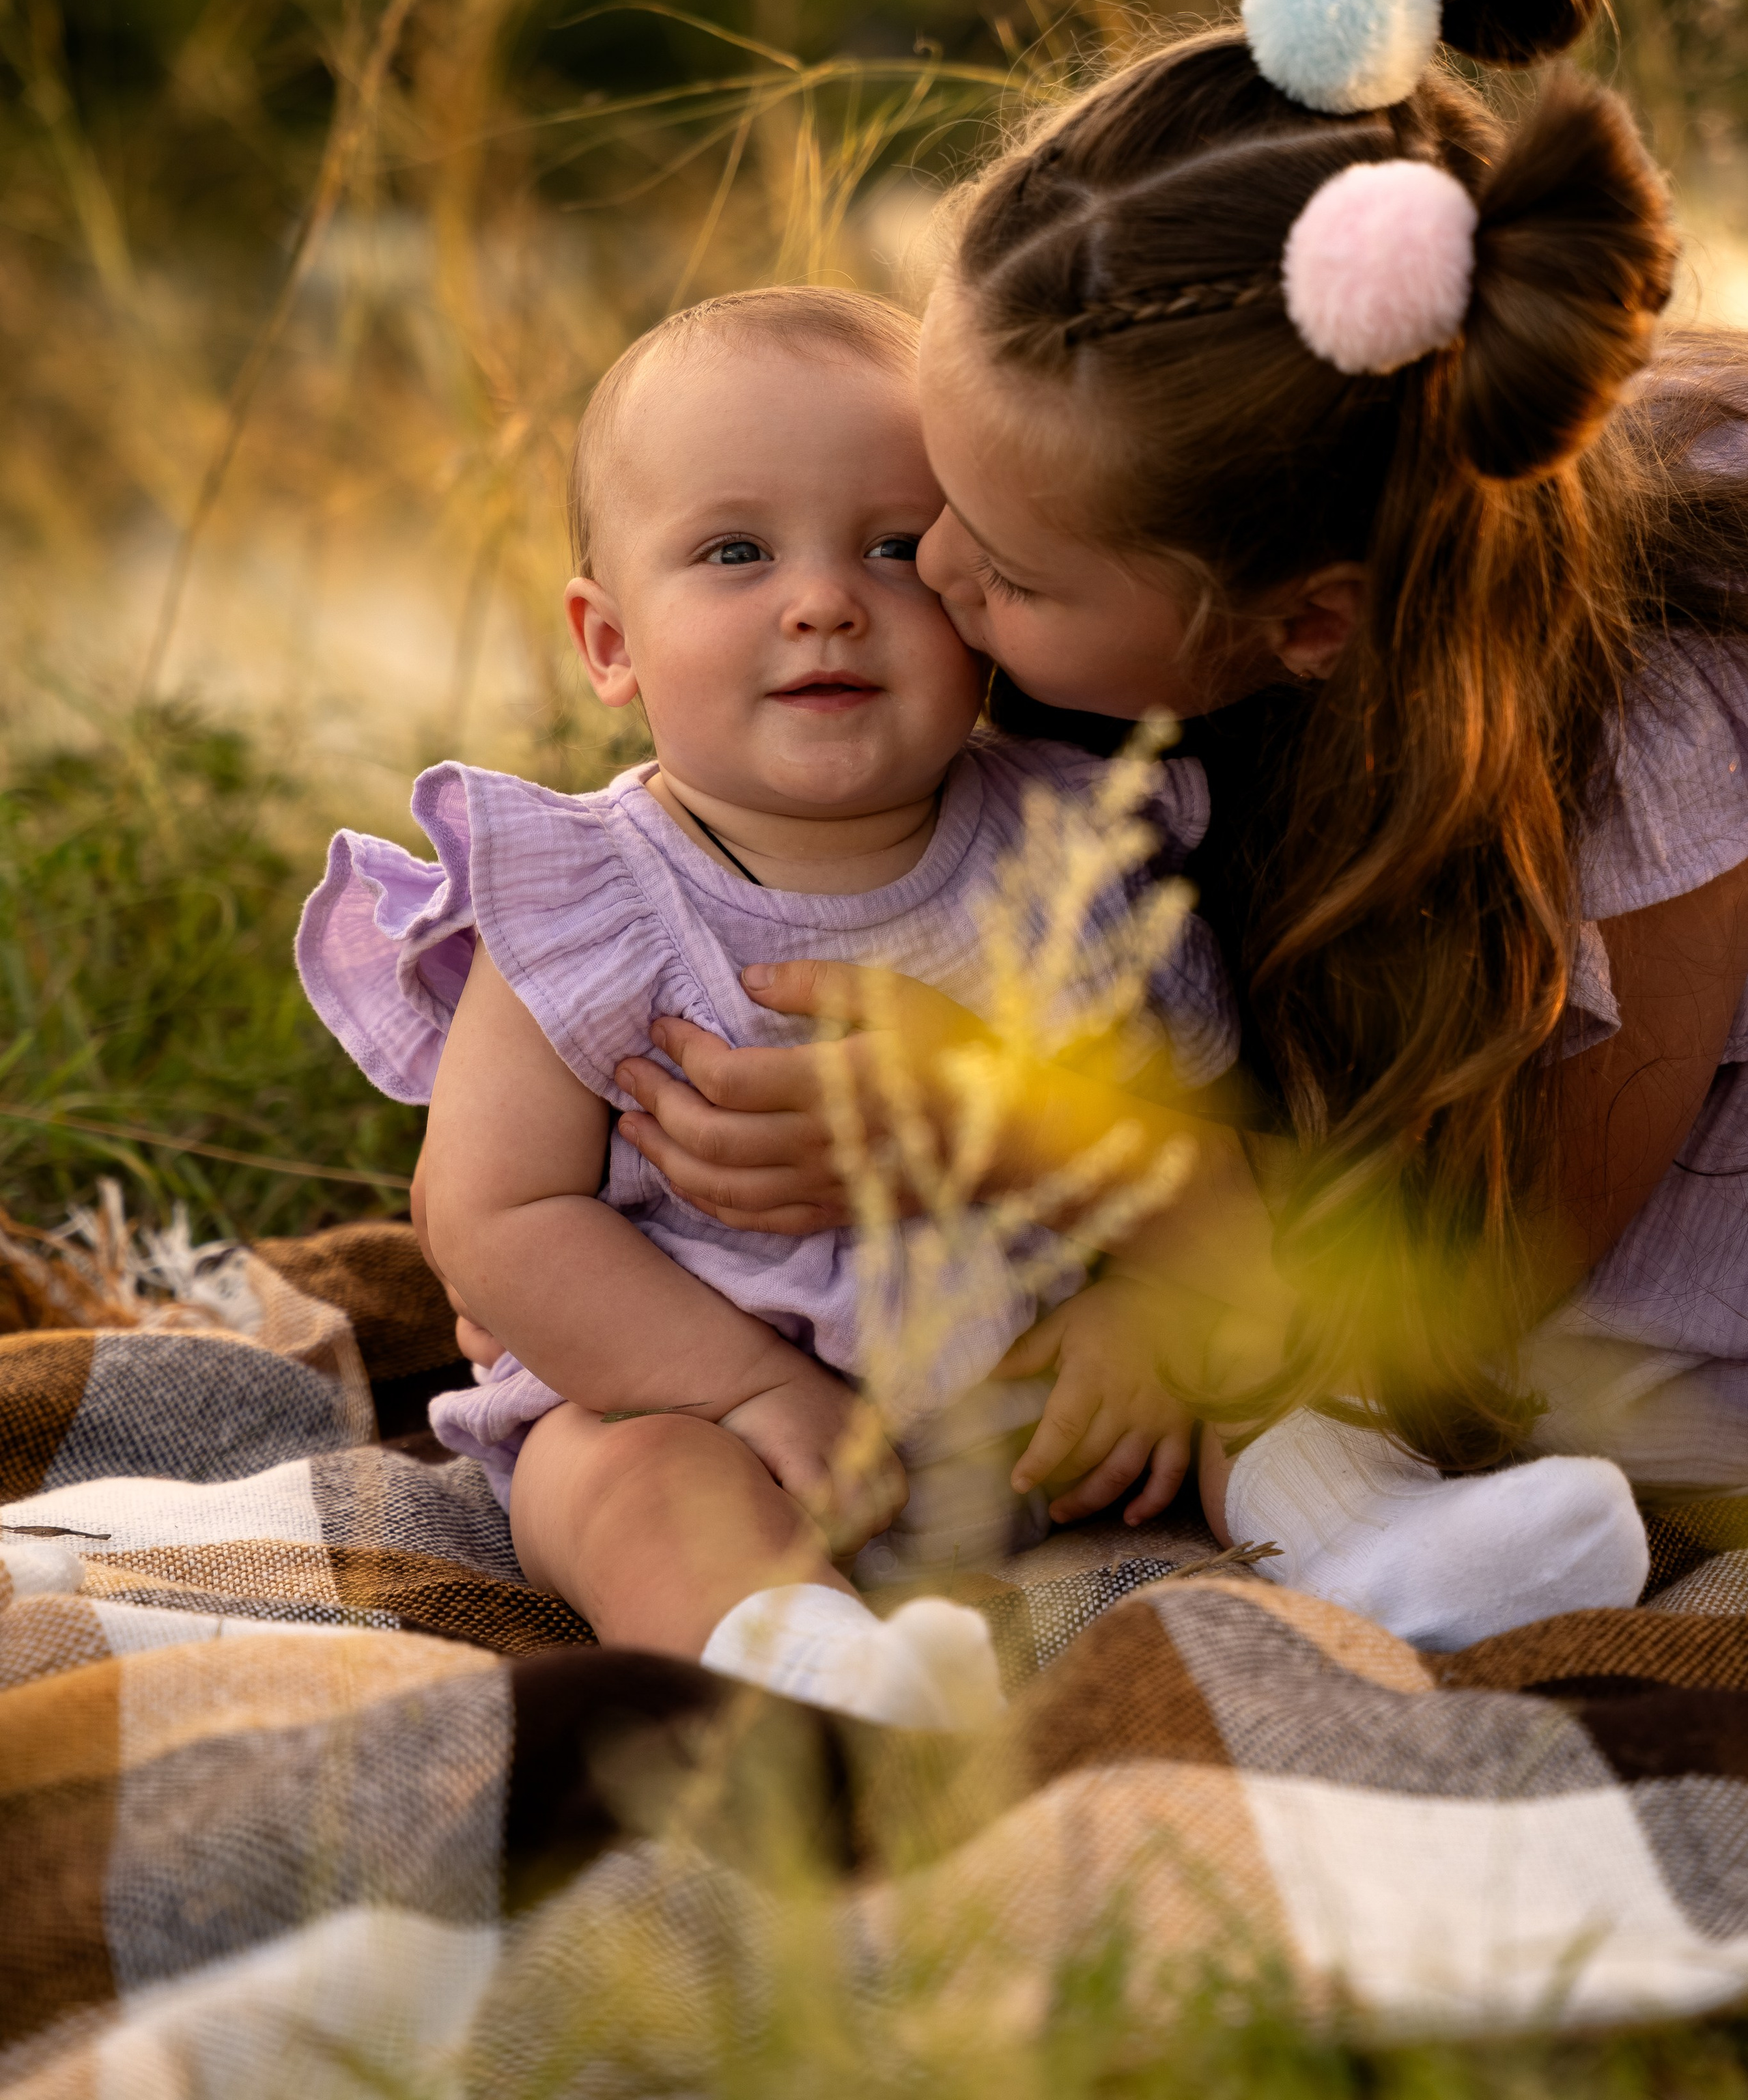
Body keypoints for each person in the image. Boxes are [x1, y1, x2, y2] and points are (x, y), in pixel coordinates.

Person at [605, 0, 1748, 1635]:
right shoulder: (1218, 485)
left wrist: (1017, 1133)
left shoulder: (1646, 739)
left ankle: (1411, 1555)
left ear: (1303, 629)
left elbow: (1468, 1300)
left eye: (1014, 570)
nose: (936, 582)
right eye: (931, 504)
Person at [299, 283, 1239, 1728]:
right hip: (703, 1400)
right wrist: (740, 1392)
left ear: (981, 598)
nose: (823, 601)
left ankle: (1384, 1536)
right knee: (623, 1480)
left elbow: (1207, 1144)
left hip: (1044, 1409)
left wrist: (1162, 1303)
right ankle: (796, 1668)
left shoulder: (1083, 845)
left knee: (1262, 1367)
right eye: (735, 551)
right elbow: (487, 1216)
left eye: (891, 548)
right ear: (607, 642)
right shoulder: (585, 893)